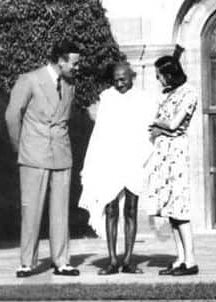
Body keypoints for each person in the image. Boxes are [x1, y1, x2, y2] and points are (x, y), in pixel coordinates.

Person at [5, 40, 81, 278]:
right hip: (33, 153)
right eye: (74, 63)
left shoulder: (70, 85)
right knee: (31, 209)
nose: (77, 67)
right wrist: (21, 148)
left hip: (61, 153)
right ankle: (26, 262)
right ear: (60, 61)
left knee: (61, 211)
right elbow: (11, 115)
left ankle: (62, 261)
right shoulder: (29, 79)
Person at [79, 61, 155, 275]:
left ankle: (129, 260)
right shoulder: (107, 98)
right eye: (116, 80)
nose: (119, 83)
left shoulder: (144, 99)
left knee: (131, 209)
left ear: (132, 76)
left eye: (123, 79)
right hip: (111, 159)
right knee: (111, 209)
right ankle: (112, 260)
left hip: (134, 159)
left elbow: (148, 127)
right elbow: (100, 132)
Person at [147, 46, 199, 276]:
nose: (158, 80)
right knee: (171, 211)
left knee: (180, 209)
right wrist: (159, 126)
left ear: (168, 73)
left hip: (176, 154)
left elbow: (175, 123)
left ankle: (191, 260)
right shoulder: (169, 94)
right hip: (164, 156)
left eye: (159, 75)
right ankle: (180, 258)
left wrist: (159, 126)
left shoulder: (189, 93)